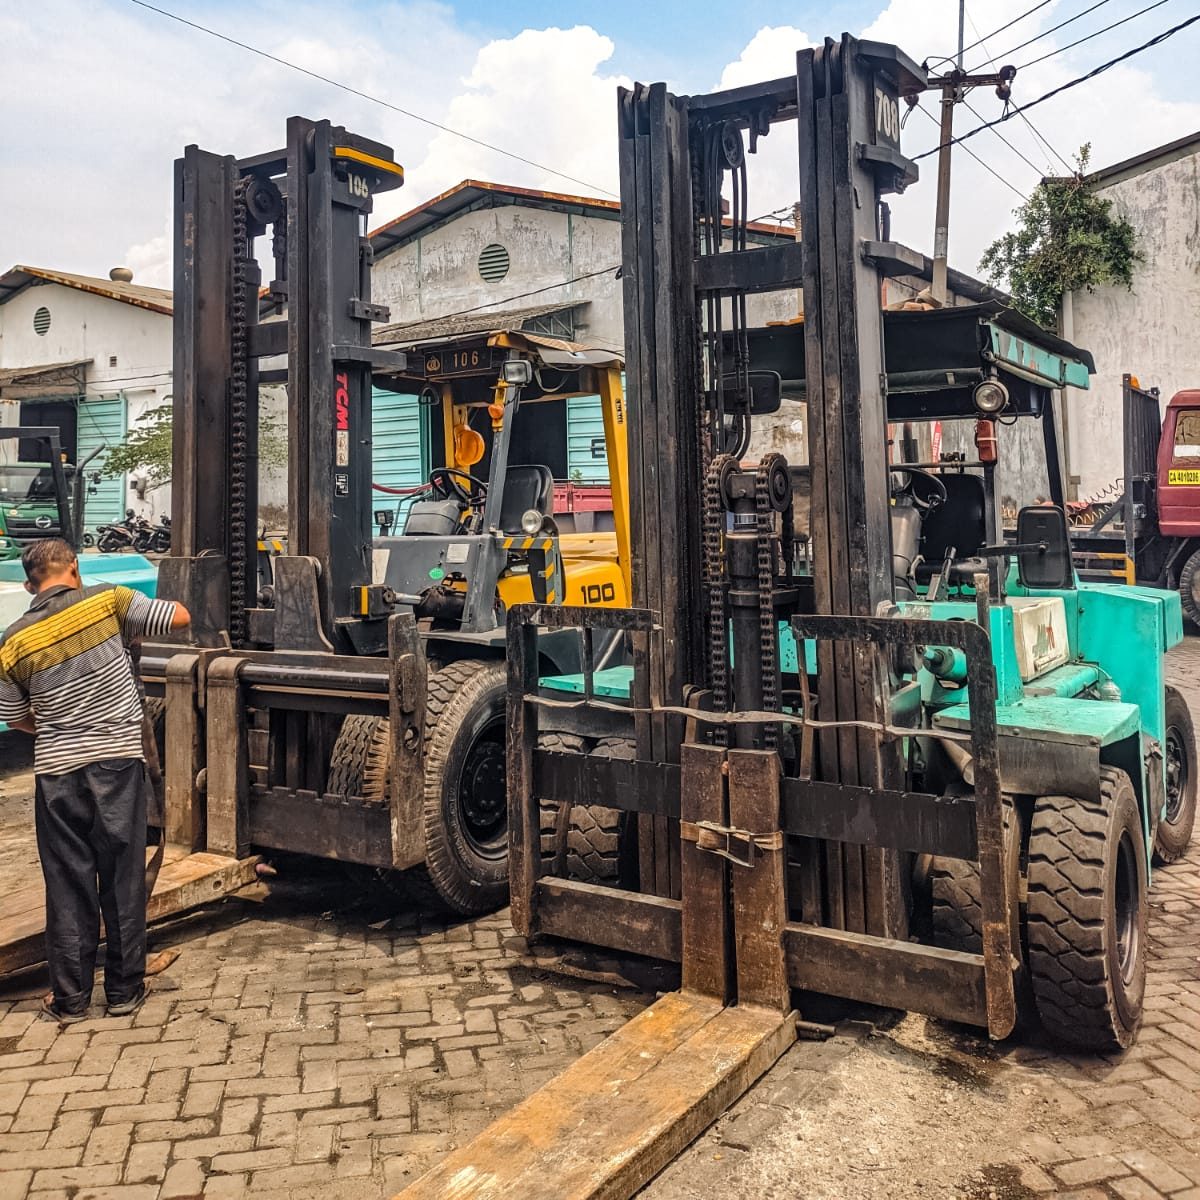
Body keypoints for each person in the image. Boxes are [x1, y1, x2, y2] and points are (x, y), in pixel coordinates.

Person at [0, 538, 190, 1021]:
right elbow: (181, 617)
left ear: (29, 585)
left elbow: (13, 715)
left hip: (56, 771)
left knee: (67, 883)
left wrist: (60, 725)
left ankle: (69, 1001)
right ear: (75, 569)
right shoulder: (110, 600)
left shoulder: (13, 640)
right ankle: (124, 993)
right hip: (116, 762)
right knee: (121, 876)